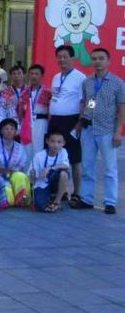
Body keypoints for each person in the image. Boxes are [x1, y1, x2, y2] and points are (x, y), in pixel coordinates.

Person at [73, 48, 125, 214]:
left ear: (108, 61)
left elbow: (121, 109)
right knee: (88, 166)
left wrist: (119, 132)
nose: (97, 62)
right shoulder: (87, 82)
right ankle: (87, 199)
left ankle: (110, 202)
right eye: (94, 59)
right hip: (89, 130)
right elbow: (91, 102)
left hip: (107, 130)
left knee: (110, 168)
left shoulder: (118, 83)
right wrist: (84, 117)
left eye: (101, 58)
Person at [48, 45, 86, 204]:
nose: (62, 59)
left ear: (72, 58)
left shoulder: (81, 77)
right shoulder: (56, 77)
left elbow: (90, 101)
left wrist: (81, 121)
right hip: (55, 121)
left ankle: (76, 192)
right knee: (55, 157)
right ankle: (60, 191)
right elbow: (54, 98)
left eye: (65, 56)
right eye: (59, 57)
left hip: (72, 121)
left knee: (74, 159)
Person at [0, 119, 31, 208]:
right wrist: (2, 171)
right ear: (1, 131)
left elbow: (23, 164)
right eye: (6, 129)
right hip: (0, 176)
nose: (9, 131)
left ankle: (23, 199)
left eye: (12, 129)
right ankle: (10, 199)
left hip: (14, 174)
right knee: (10, 201)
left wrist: (11, 172)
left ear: (16, 131)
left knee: (21, 176)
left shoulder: (20, 148)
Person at [30, 130, 71, 213]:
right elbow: (33, 179)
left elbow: (66, 165)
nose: (56, 145)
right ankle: (48, 202)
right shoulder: (38, 156)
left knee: (64, 173)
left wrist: (50, 168)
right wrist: (32, 176)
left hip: (55, 181)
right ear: (47, 141)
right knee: (40, 204)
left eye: (59, 142)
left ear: (63, 143)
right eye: (52, 141)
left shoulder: (63, 151)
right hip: (42, 183)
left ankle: (57, 202)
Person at [20, 64, 51, 158]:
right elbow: (21, 111)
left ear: (42, 76)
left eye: (37, 74)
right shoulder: (24, 92)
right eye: (32, 73)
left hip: (41, 122)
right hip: (26, 123)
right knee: (26, 149)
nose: (34, 76)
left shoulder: (48, 92)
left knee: (39, 148)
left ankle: (38, 171)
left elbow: (51, 111)